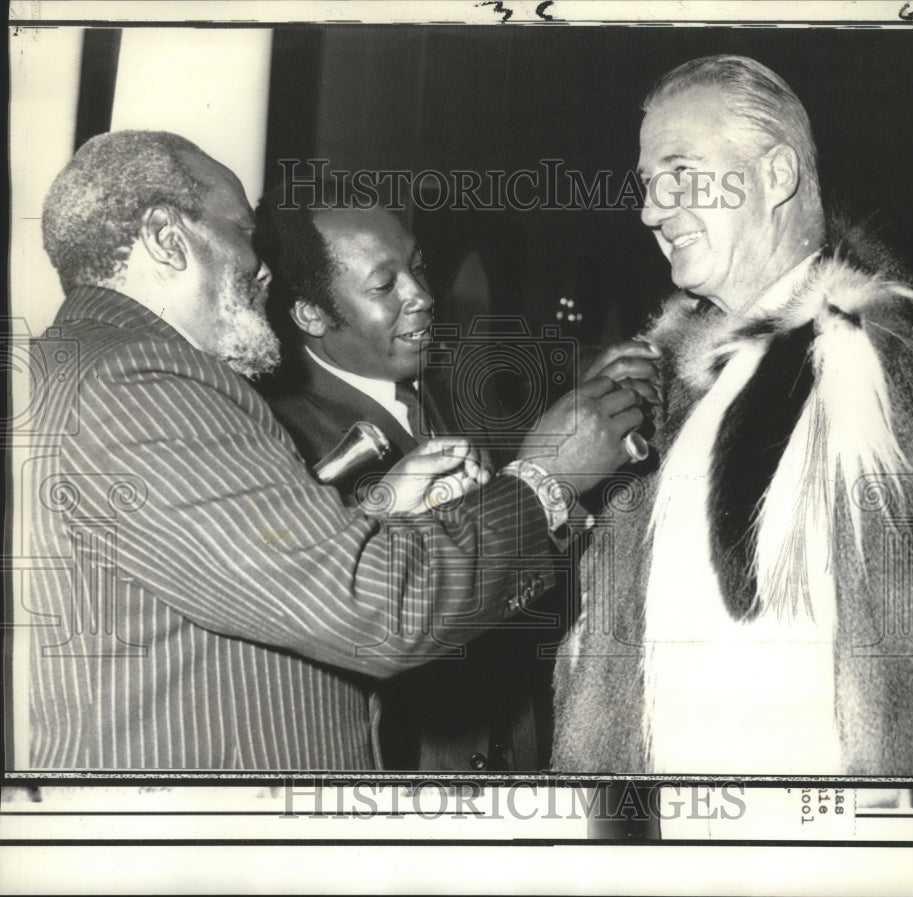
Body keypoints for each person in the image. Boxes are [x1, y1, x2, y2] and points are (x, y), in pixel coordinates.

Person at [27, 130, 652, 770]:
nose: (261, 267)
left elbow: (240, 582)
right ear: (165, 237)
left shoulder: (67, 367)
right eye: (241, 232)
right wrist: (542, 479)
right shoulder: (144, 381)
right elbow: (373, 605)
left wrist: (376, 515)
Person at [552, 55, 913, 776]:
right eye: (649, 186)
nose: (651, 210)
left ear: (776, 175)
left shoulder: (911, 360)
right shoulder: (656, 392)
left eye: (680, 174)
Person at [252, 193, 661, 770]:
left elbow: (509, 531)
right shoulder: (278, 438)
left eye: (417, 268)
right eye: (383, 286)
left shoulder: (440, 389)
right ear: (310, 315)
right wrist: (546, 472)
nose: (421, 295)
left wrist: (585, 416)